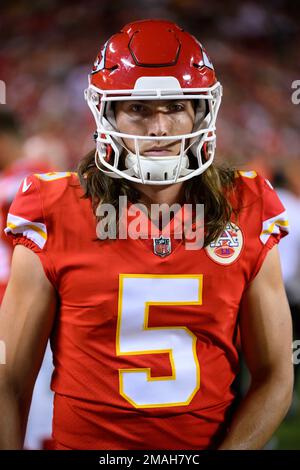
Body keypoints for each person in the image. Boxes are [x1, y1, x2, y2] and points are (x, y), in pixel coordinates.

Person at [0, 19, 293, 450]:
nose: (159, 130)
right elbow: (8, 378)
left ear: (201, 111)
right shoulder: (53, 208)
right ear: (107, 113)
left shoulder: (247, 205)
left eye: (175, 107)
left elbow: (275, 374)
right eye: (137, 109)